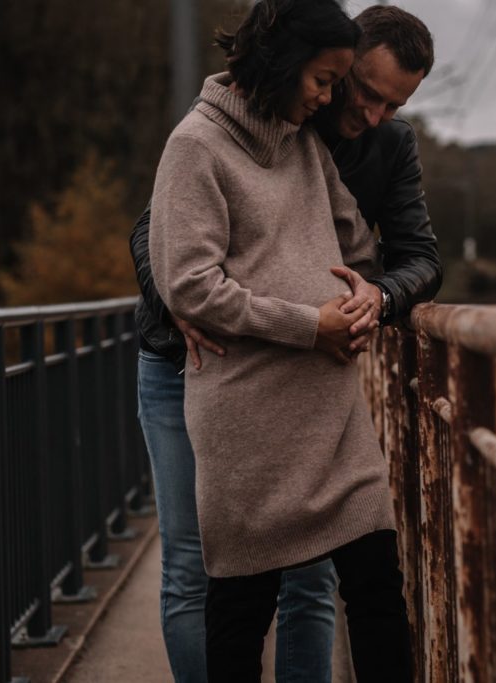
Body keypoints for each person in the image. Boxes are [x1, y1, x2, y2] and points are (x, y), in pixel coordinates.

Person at [130, 4, 439, 681]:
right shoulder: (203, 140)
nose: (362, 109)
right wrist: (295, 318)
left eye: (396, 103)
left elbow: (374, 245)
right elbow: (171, 254)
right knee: (218, 587)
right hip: (213, 380)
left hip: (322, 401)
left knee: (360, 582)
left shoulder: (316, 139)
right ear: (305, 62)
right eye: (348, 86)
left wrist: (370, 295)